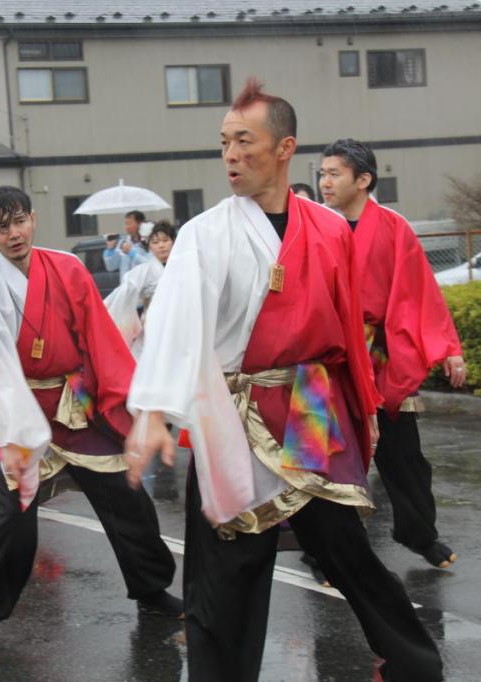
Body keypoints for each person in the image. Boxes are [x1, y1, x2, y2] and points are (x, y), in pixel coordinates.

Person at [124, 79, 443, 682]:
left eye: (245, 141)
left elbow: (348, 328)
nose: (230, 156)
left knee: (345, 550)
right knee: (226, 571)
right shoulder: (205, 234)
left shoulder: (327, 229)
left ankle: (416, 666)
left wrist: (364, 404)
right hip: (235, 415)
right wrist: (152, 411)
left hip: (311, 410)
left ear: (284, 147)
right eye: (223, 143)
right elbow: (176, 322)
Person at [0, 186, 181, 654]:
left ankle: (151, 589)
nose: (14, 233)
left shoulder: (66, 267)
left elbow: (101, 339)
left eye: (19, 221)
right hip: (22, 409)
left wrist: (132, 404)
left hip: (76, 404)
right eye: (2, 226)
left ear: (33, 219)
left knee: (128, 499)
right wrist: (19, 434)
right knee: (13, 523)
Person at [319, 138, 466, 569]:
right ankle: (324, 552)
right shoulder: (310, 226)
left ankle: (419, 534)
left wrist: (449, 348)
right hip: (327, 354)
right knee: (325, 457)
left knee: (403, 453)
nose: (324, 182)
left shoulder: (392, 227)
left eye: (334, 174)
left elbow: (421, 289)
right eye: (322, 173)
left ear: (363, 180)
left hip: (380, 351)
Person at [103, 221, 176, 357]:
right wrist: (102, 309)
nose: (161, 245)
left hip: (179, 320)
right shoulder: (145, 270)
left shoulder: (182, 266)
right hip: (155, 322)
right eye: (155, 242)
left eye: (165, 240)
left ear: (173, 241)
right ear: (149, 245)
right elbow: (126, 290)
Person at [103, 210, 150, 276]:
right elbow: (111, 267)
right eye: (125, 223)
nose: (126, 227)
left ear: (140, 224)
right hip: (125, 284)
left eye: (129, 223)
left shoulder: (148, 243)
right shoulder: (122, 242)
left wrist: (132, 253)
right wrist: (110, 250)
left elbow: (151, 266)